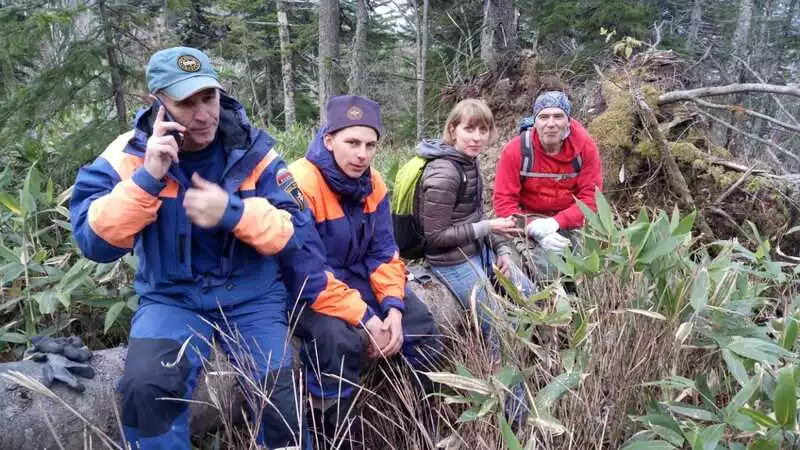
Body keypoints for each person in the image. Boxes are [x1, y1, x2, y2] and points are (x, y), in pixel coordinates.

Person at [70, 46, 311, 449]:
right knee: (146, 388)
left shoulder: (255, 151)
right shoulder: (127, 154)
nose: (204, 114)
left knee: (280, 393)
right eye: (187, 102)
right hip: (172, 298)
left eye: (209, 97)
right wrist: (148, 179)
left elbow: (298, 232)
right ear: (158, 103)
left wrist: (232, 213)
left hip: (251, 297)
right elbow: (94, 243)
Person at [288, 95, 441, 447]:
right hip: (306, 288)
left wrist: (393, 310)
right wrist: (366, 318)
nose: (362, 154)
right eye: (352, 142)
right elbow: (305, 272)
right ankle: (337, 435)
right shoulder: (298, 184)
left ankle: (422, 421)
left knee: (419, 321)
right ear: (329, 140)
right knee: (336, 340)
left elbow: (384, 253)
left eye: (370, 144)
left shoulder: (374, 183)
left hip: (353, 277)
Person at [414, 98, 533, 422]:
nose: (476, 137)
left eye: (483, 129)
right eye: (469, 129)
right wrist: (487, 227)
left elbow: (478, 218)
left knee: (532, 295)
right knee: (501, 331)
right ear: (453, 130)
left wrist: (503, 249)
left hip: (476, 253)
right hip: (449, 263)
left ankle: (535, 374)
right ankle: (516, 421)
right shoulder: (444, 170)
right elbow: (434, 236)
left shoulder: (469, 163)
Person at [493, 91, 603, 283]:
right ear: (535, 122)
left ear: (568, 121)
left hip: (570, 221)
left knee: (588, 273)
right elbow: (503, 204)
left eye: (558, 116)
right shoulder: (516, 151)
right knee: (517, 272)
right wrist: (533, 229)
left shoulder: (585, 147)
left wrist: (556, 223)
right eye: (543, 117)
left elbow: (591, 199)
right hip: (525, 221)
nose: (551, 124)